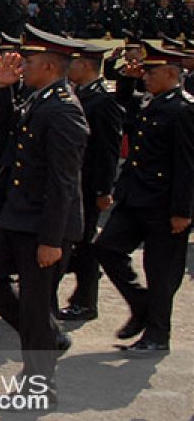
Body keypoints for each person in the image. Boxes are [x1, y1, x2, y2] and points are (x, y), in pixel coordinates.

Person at [0, 28, 89, 399]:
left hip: (42, 224)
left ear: (51, 66)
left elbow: (63, 183)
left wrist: (52, 239)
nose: (21, 67)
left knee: (37, 305)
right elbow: (5, 135)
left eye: (29, 63)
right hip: (18, 217)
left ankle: (39, 386)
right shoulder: (41, 99)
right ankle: (48, 334)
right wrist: (3, 90)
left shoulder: (63, 109)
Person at [94, 41, 194, 356]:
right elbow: (124, 109)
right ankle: (141, 304)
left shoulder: (184, 109)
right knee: (107, 247)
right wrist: (127, 78)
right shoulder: (152, 102)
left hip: (165, 204)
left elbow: (188, 165)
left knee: (161, 271)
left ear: (170, 73)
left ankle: (157, 335)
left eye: (152, 72)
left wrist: (183, 211)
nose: (146, 77)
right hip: (136, 197)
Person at [56, 43, 124, 322]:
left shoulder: (103, 98)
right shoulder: (79, 94)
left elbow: (108, 148)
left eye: (73, 63)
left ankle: (86, 301)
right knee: (77, 241)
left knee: (84, 244)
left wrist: (104, 189)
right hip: (75, 180)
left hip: (88, 183)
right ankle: (79, 296)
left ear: (85, 65)